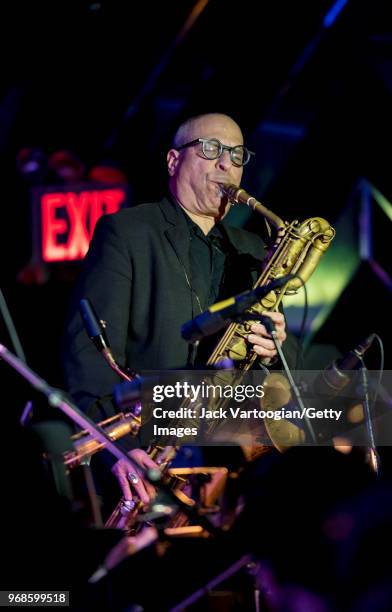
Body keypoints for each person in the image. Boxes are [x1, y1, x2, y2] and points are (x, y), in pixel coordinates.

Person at [63, 112, 296, 510]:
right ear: (173, 161)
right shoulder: (127, 231)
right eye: (211, 149)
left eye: (238, 155)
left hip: (228, 466)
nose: (227, 164)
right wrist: (118, 448)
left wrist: (274, 349)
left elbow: (277, 381)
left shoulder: (254, 252)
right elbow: (88, 353)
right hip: (147, 462)